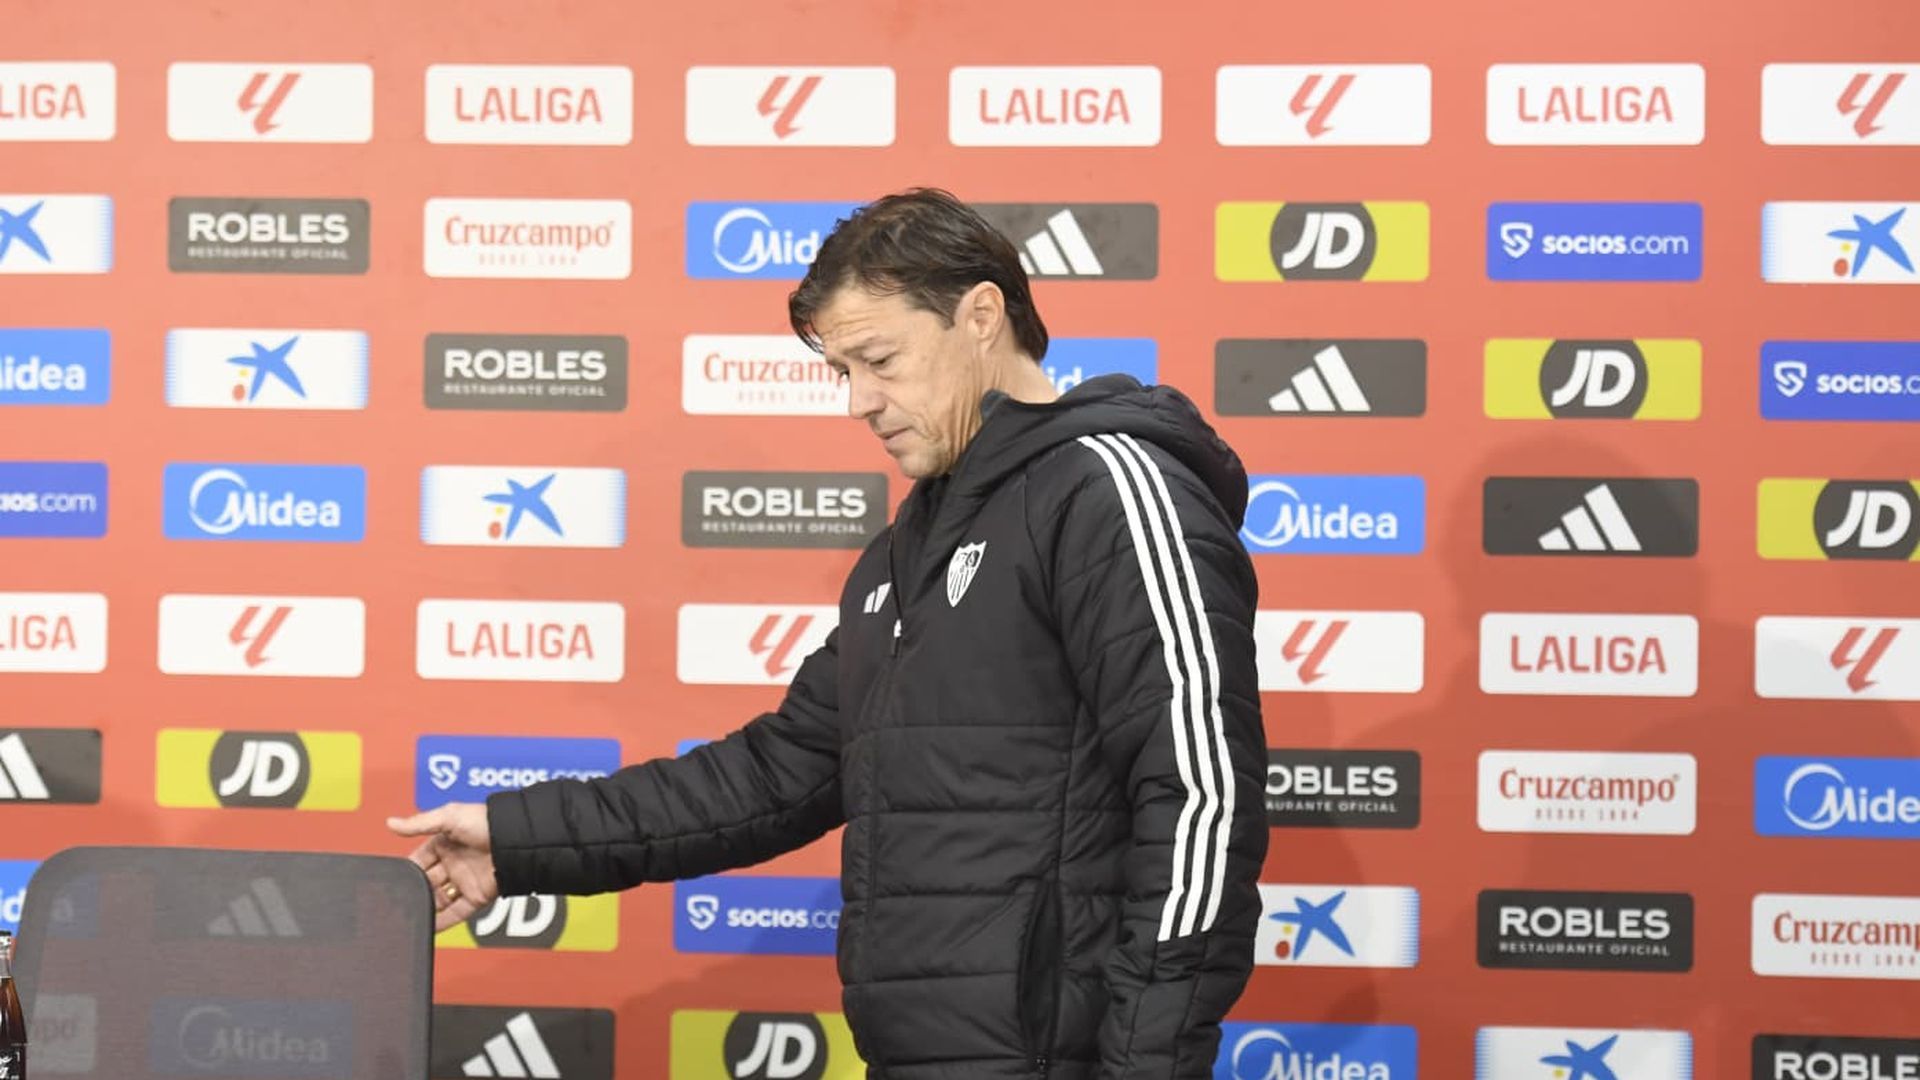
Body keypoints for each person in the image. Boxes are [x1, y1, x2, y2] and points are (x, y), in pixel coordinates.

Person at [388, 188, 1268, 1079]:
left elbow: (1202, 799)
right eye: (841, 371)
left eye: (878, 359)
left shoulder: (1109, 489)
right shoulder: (908, 550)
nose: (858, 402)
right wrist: (518, 837)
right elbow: (771, 776)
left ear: (981, 316)